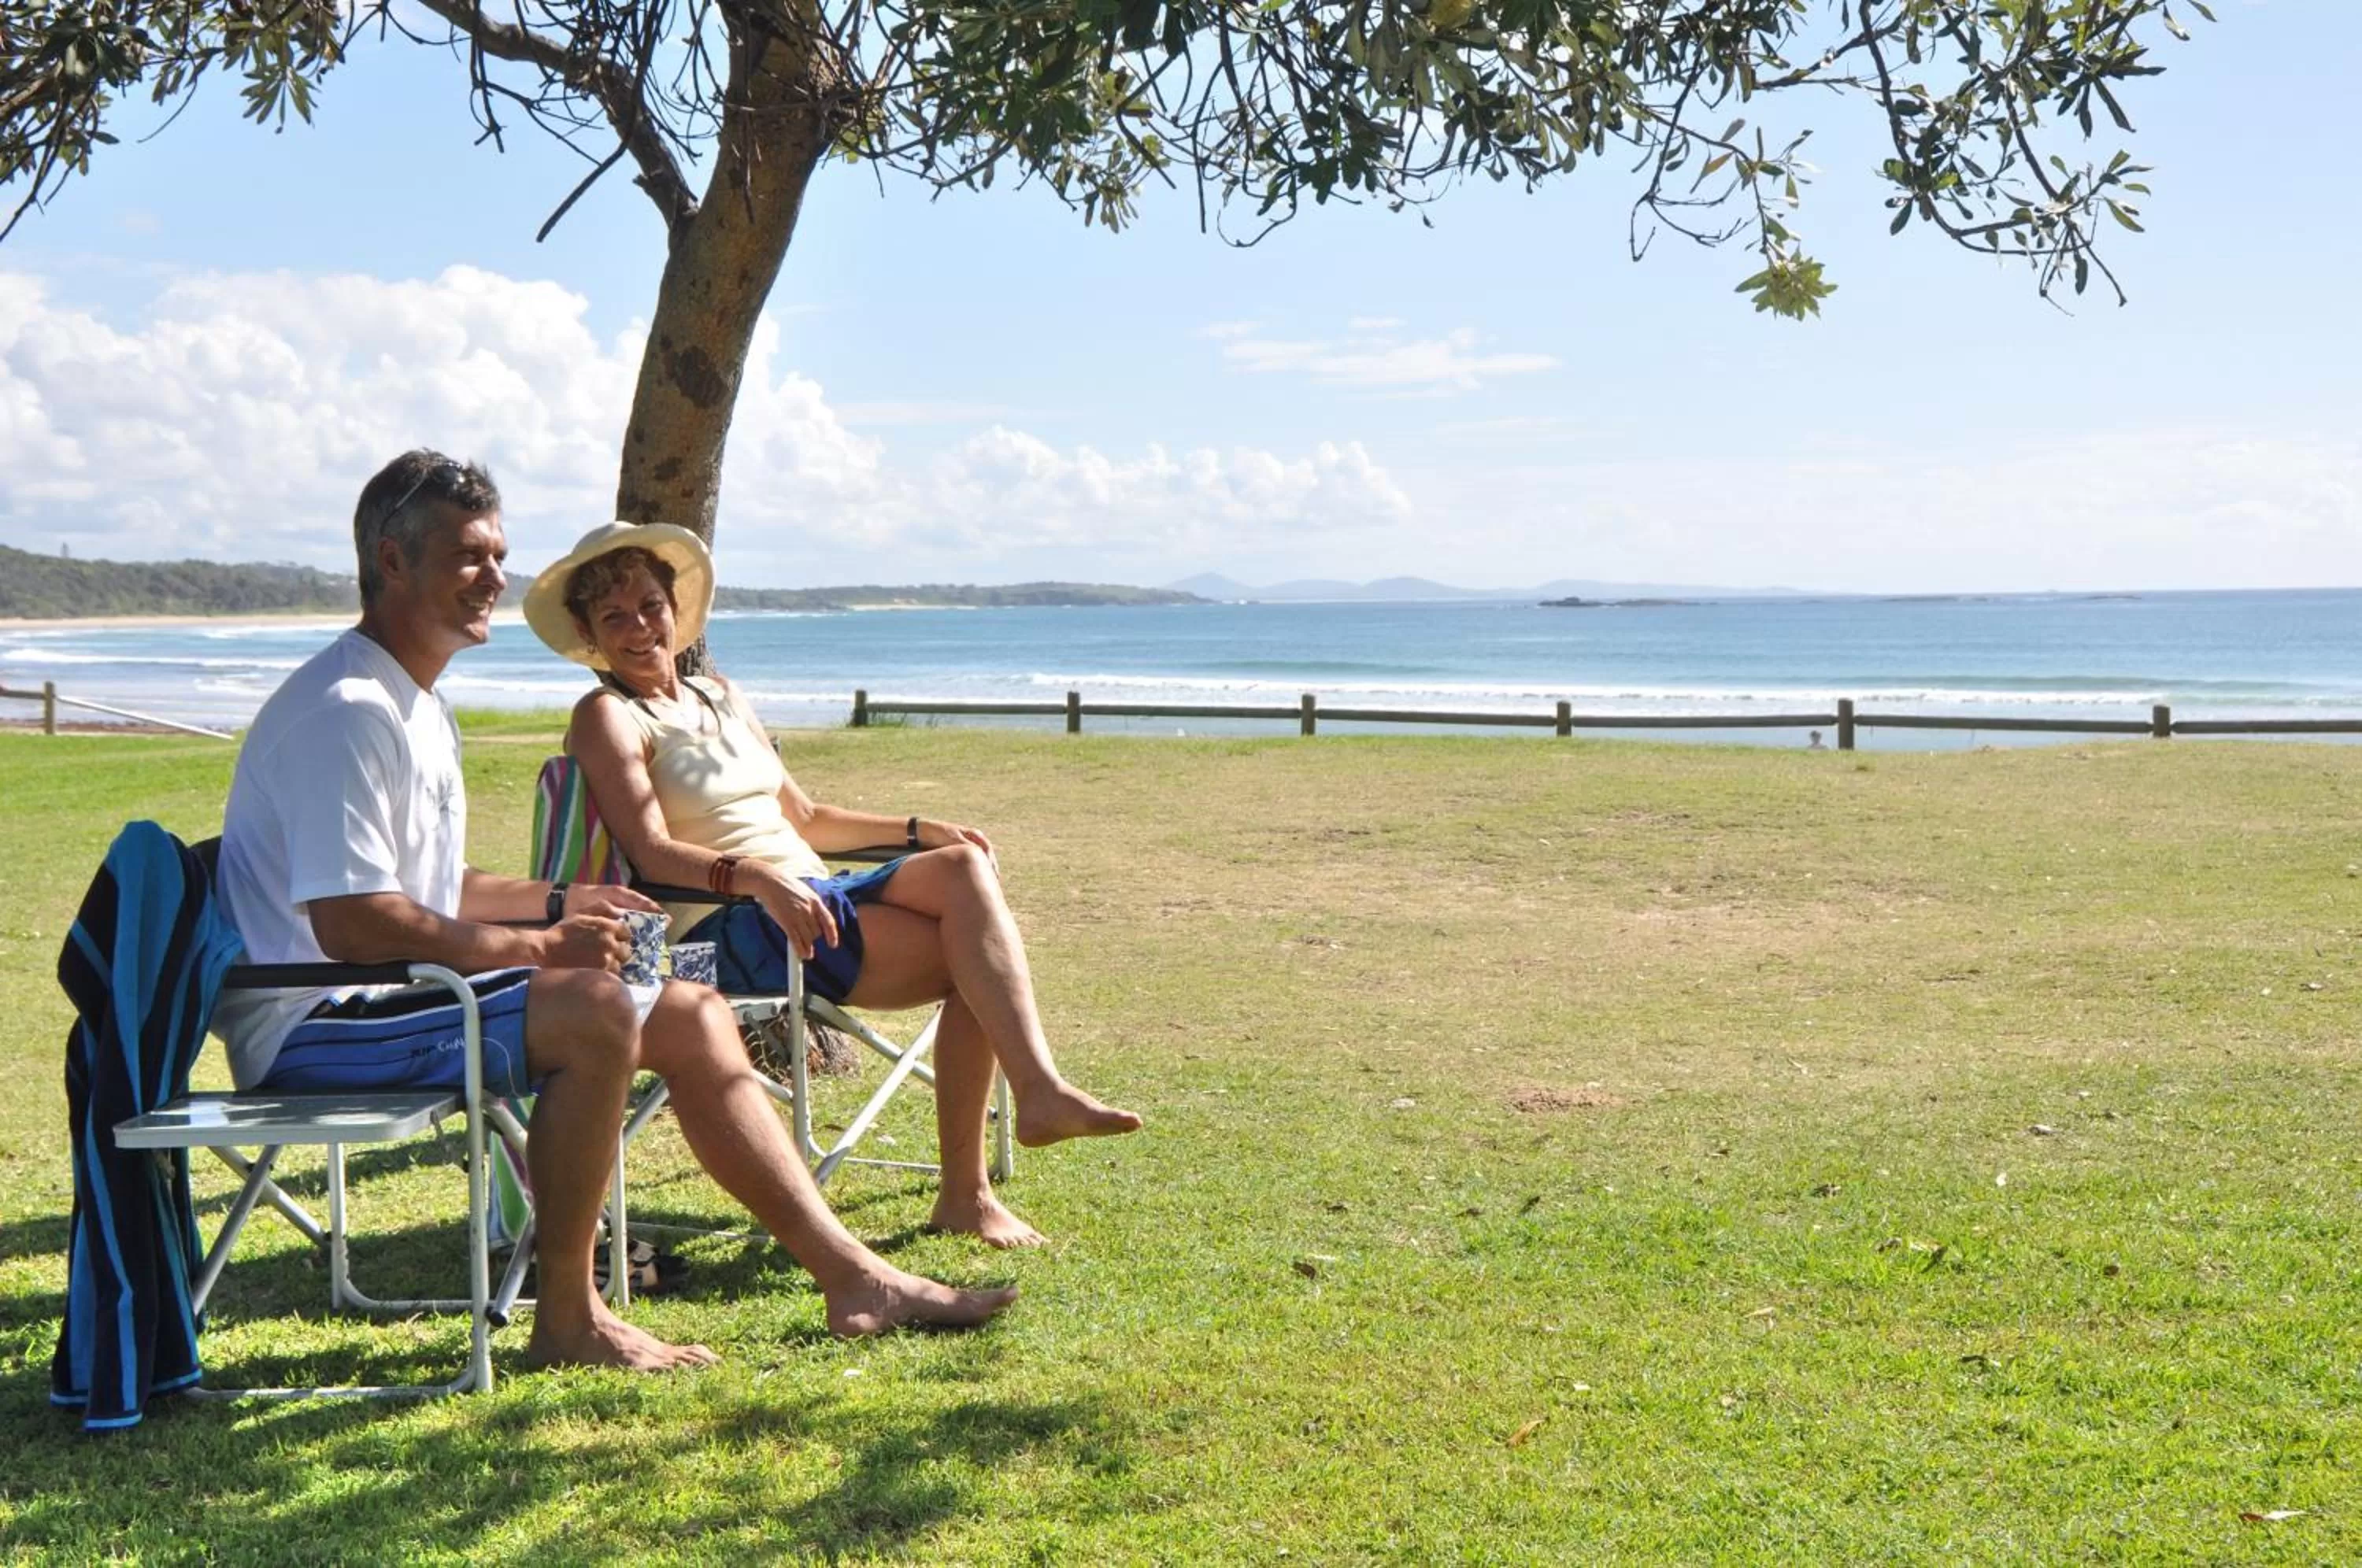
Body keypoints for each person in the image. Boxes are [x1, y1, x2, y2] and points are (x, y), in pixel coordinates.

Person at [211, 451, 1016, 1371]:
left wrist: (569, 898)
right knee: (595, 1005)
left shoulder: (418, 709)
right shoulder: (348, 711)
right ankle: (571, 1318)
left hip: (395, 995)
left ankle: (853, 1279)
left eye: (498, 554)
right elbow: (353, 925)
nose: (494, 578)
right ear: (393, 562)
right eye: (470, 556)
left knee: (687, 1006)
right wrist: (542, 942)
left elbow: (437, 887)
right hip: (319, 1021)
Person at [521, 522, 1142, 1248]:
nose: (638, 629)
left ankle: (1008, 1136)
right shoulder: (606, 716)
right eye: (614, 617)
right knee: (975, 955)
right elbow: (652, 854)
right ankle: (988, 1165)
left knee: (967, 883)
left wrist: (921, 829)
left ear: (674, 608)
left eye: (649, 606)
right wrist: (754, 878)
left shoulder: (719, 694)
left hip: (811, 900)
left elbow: (806, 817)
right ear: (589, 633)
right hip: (729, 929)